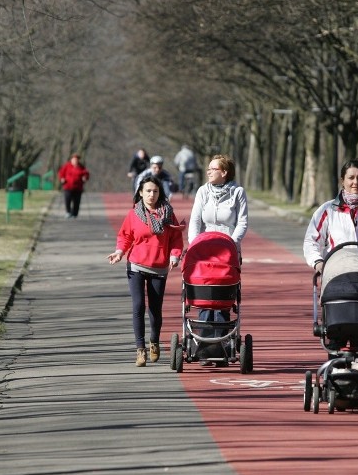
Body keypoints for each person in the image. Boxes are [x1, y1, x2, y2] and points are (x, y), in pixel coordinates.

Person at [107, 176, 185, 367]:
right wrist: (119, 252)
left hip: (158, 266)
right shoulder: (134, 214)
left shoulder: (167, 213)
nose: (152, 194)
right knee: (138, 306)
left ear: (160, 193)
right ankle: (140, 350)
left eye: (155, 191)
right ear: (140, 192)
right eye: (148, 191)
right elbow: (125, 236)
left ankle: (154, 342)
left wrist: (175, 255)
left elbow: (176, 237)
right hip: (136, 265)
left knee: (155, 310)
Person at [188, 154, 248, 329]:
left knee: (222, 295)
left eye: (213, 169)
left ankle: (221, 337)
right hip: (204, 249)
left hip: (227, 250)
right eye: (208, 168)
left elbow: (242, 222)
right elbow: (195, 221)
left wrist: (231, 243)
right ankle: (205, 336)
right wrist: (194, 244)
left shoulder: (238, 193)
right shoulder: (202, 191)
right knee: (205, 291)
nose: (208, 172)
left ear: (224, 172)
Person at [57, 153, 90, 218]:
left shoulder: (81, 167)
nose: (75, 161)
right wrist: (62, 178)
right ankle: (68, 212)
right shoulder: (67, 166)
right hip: (68, 186)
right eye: (74, 159)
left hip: (78, 187)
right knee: (68, 199)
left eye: (76, 160)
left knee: (76, 201)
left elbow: (86, 173)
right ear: (71, 160)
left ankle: (74, 213)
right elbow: (61, 173)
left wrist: (85, 178)